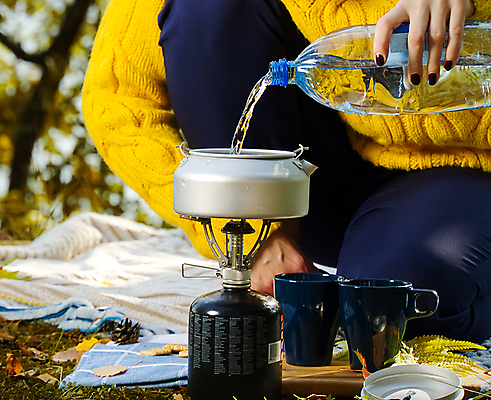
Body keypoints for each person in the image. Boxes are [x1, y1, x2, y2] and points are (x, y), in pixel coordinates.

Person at [82, 0, 491, 343]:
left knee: (382, 311)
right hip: (305, 179)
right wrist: (248, 229)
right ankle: (274, 249)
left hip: (462, 170)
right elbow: (118, 102)